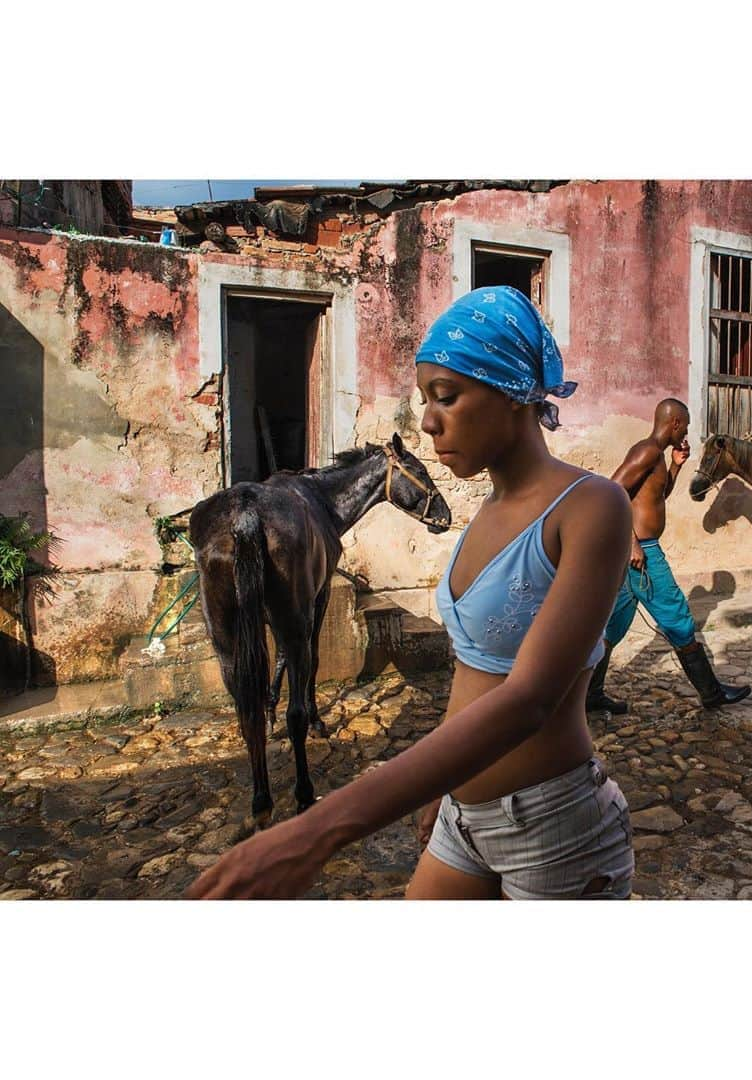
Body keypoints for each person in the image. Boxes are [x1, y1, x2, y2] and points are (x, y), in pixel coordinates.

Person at [186, 286, 635, 900]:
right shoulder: (488, 512)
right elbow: (474, 673)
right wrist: (442, 789)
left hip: (551, 826)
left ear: (510, 393)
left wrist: (317, 831)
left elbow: (529, 698)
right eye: (425, 399)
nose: (427, 421)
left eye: (446, 397)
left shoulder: (591, 507)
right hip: (462, 818)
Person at [585, 399, 751, 715]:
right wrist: (632, 541)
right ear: (674, 422)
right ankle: (712, 693)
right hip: (642, 554)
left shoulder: (657, 457)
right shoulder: (646, 451)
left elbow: (656, 497)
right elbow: (610, 493)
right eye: (685, 426)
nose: (686, 432)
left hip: (631, 554)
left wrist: (676, 465)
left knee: (614, 626)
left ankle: (590, 694)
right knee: (678, 619)